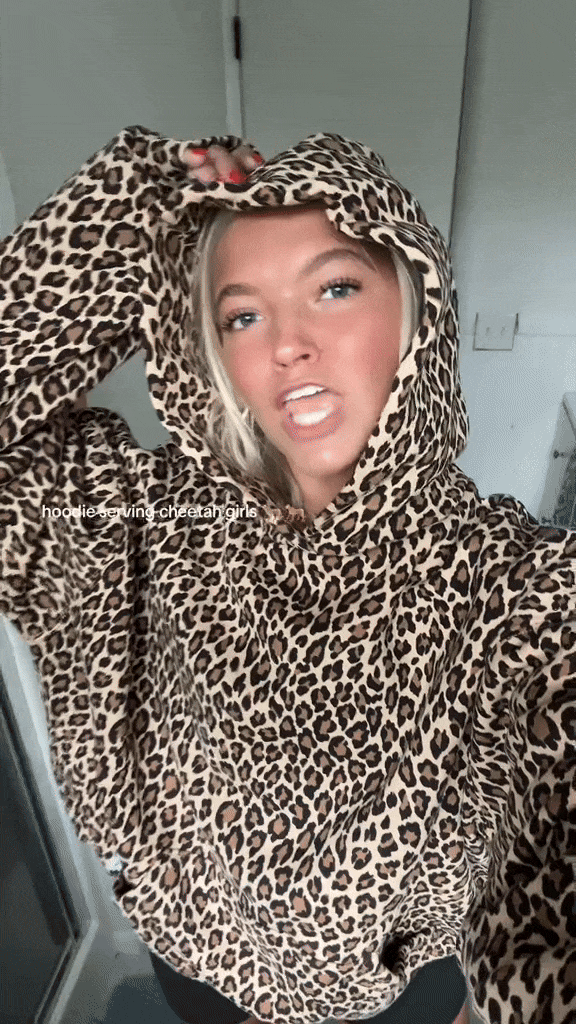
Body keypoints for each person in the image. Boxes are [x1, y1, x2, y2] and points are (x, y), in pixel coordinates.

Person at [0, 127, 574, 1024]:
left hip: (392, 1001)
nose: (288, 344)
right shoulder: (145, 522)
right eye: (242, 315)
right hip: (196, 974)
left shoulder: (516, 590)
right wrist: (136, 201)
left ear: (417, 305)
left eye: (335, 288)